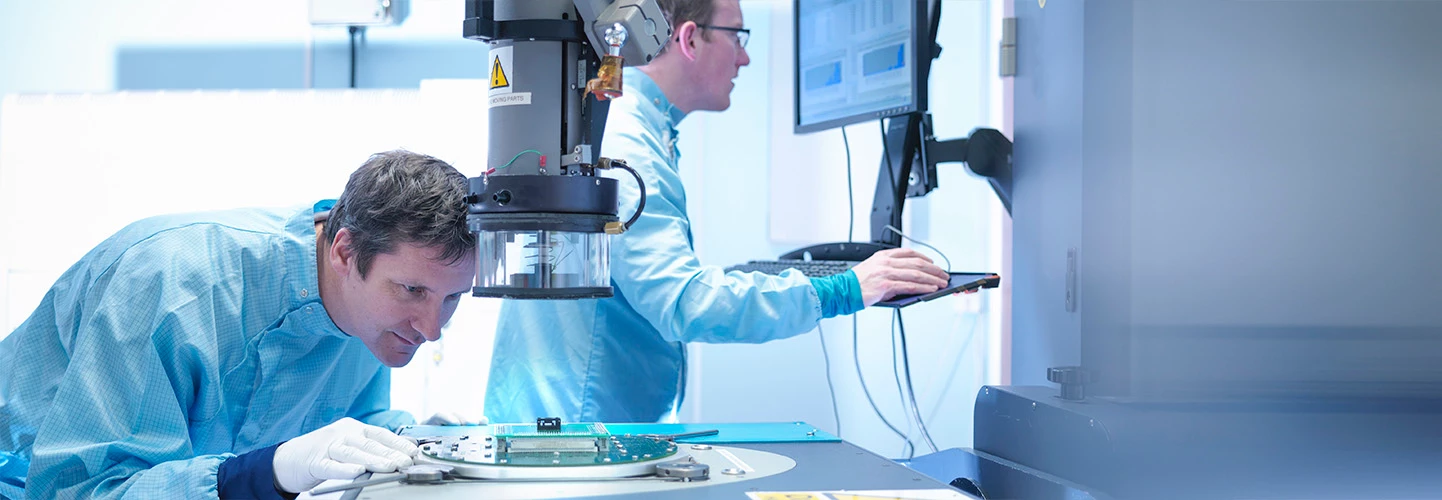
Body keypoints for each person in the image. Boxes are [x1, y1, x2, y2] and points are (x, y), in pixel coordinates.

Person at [485, 0, 951, 424]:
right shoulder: (630, 145)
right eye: (737, 37)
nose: (744, 58)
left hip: (567, 418)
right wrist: (845, 290)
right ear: (689, 39)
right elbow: (684, 303)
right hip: (571, 433)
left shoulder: (636, 130)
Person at [0, 150, 481, 499]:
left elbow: (337, 424)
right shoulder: (170, 285)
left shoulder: (369, 316)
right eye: (413, 291)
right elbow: (78, 489)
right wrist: (261, 473)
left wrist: (408, 439)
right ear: (345, 252)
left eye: (453, 296)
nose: (432, 328)